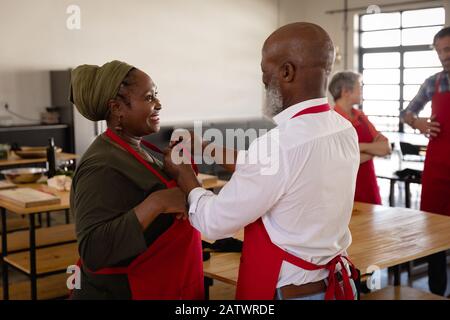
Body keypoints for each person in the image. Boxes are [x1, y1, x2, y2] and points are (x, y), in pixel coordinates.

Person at [165, 23, 360, 300]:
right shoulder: (342, 128)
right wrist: (206, 148)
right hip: (332, 283)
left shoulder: (278, 145)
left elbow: (214, 222)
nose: (263, 81)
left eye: (264, 71)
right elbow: (276, 172)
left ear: (286, 72)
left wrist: (185, 176)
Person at [69, 60, 204, 299]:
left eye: (156, 96)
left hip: (169, 283)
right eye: (149, 97)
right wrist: (157, 203)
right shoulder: (100, 165)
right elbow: (93, 250)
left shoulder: (146, 151)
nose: (159, 104)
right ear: (117, 108)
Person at [401, 27, 450, 297]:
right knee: (436, 237)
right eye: (441, 50)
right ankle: (435, 293)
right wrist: (417, 121)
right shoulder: (433, 82)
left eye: (449, 49)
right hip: (438, 171)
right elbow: (406, 112)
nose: (446, 55)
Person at [329, 71, 391, 205]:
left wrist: (358, 148)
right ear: (346, 91)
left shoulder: (361, 116)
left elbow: (386, 148)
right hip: (345, 191)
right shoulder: (331, 120)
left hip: (369, 186)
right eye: (360, 86)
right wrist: (373, 151)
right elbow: (339, 160)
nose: (362, 90)